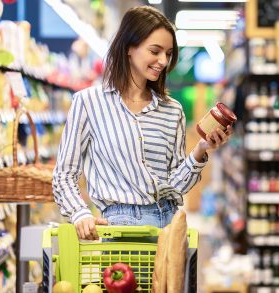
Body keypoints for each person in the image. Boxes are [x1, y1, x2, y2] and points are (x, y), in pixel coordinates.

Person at [52, 5, 232, 240]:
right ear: (129, 47)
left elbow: (175, 187)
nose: (163, 61)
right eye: (155, 51)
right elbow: (64, 174)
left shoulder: (172, 111)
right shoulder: (89, 102)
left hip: (169, 228)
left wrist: (201, 150)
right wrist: (79, 213)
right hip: (119, 229)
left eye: (168, 54)